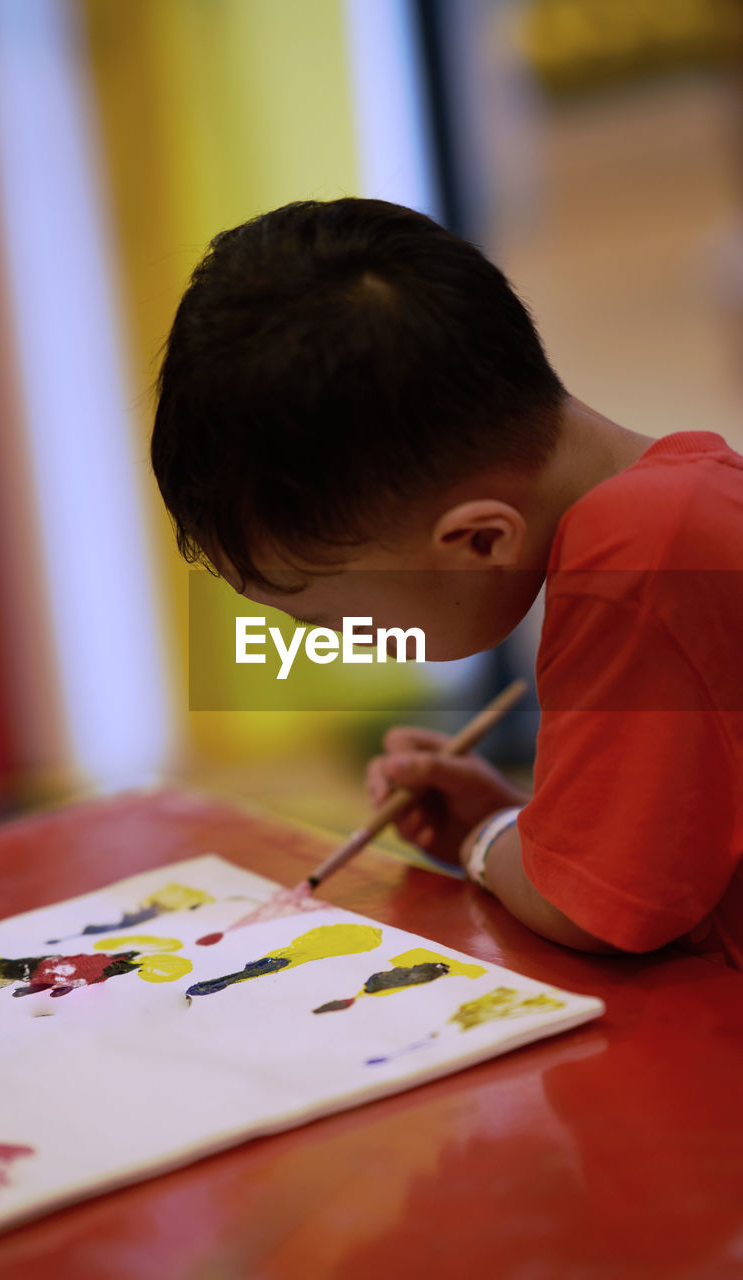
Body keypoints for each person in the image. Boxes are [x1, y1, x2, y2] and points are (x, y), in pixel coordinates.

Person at [150, 197, 743, 968]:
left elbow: (594, 913)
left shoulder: (636, 561)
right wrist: (520, 824)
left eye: (329, 619)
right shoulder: (682, 504)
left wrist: (484, 839)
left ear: (478, 538)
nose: (354, 646)